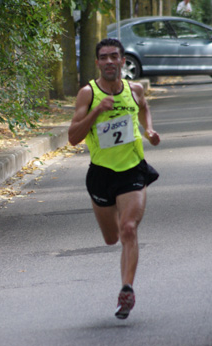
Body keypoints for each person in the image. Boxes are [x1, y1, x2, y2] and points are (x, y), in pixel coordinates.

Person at [68, 38, 160, 320]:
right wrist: (97, 111)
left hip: (133, 170)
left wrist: (149, 131)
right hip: (101, 175)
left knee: (129, 228)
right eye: (104, 57)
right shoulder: (88, 94)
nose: (109, 61)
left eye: (114, 56)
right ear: (97, 62)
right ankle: (125, 282)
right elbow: (72, 138)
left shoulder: (134, 89)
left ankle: (127, 289)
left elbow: (143, 107)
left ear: (122, 60)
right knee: (111, 238)